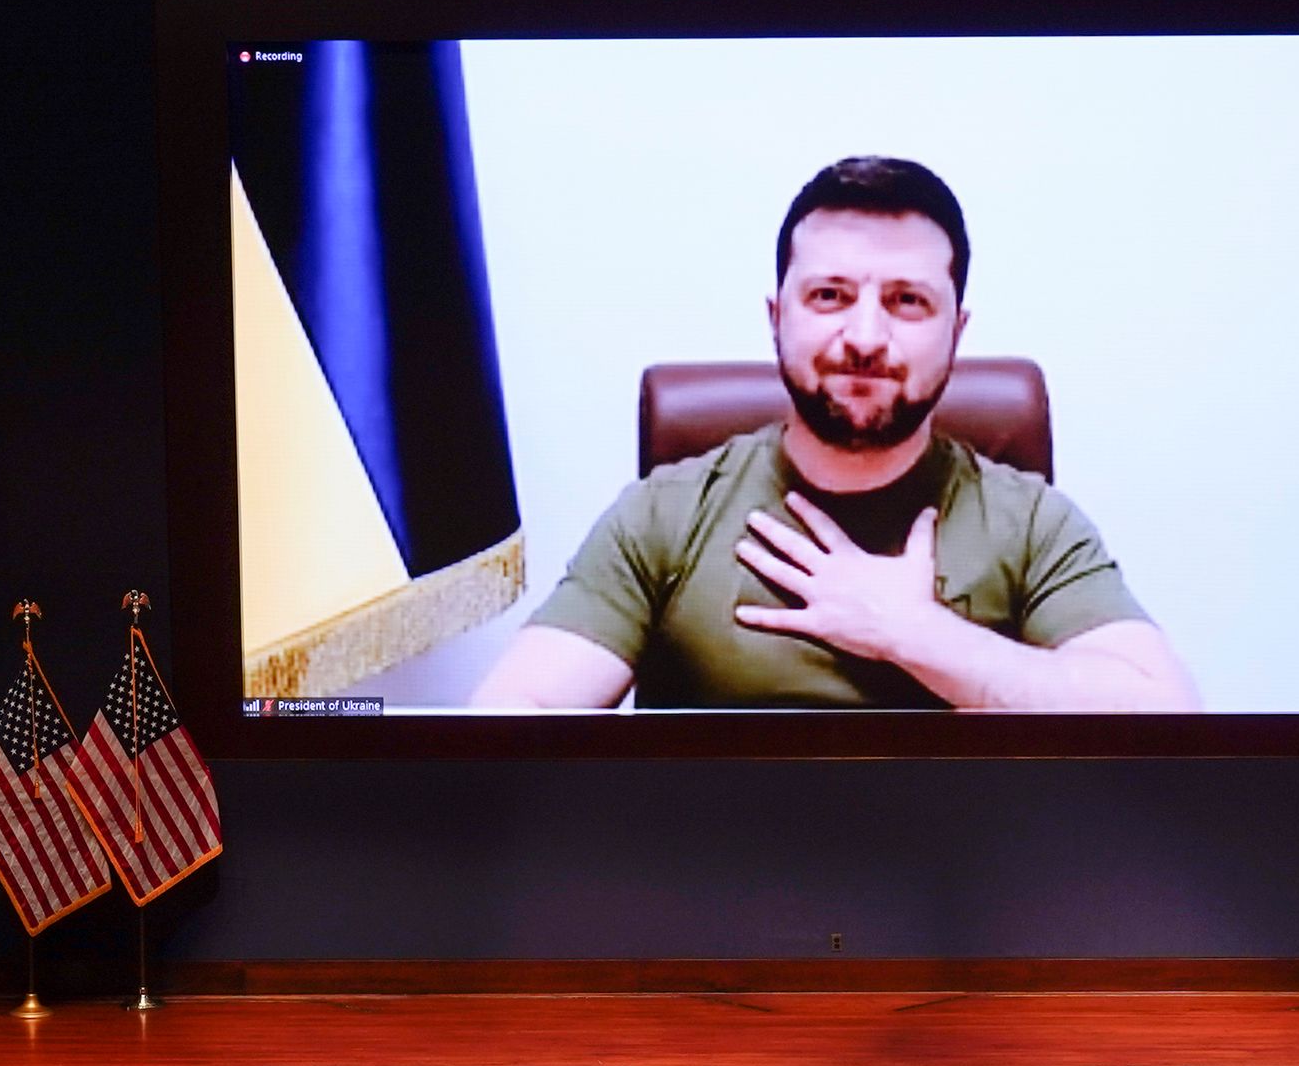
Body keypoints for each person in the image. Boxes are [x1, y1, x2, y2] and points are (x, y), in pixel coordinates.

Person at [472, 152, 1191, 713]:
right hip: (710, 888)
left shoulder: (1031, 523)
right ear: (776, 315)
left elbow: (1165, 718)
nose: (865, 336)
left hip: (960, 892)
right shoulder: (665, 515)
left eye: (908, 301)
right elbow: (516, 708)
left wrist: (916, 634)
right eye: (830, 296)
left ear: (956, 331)